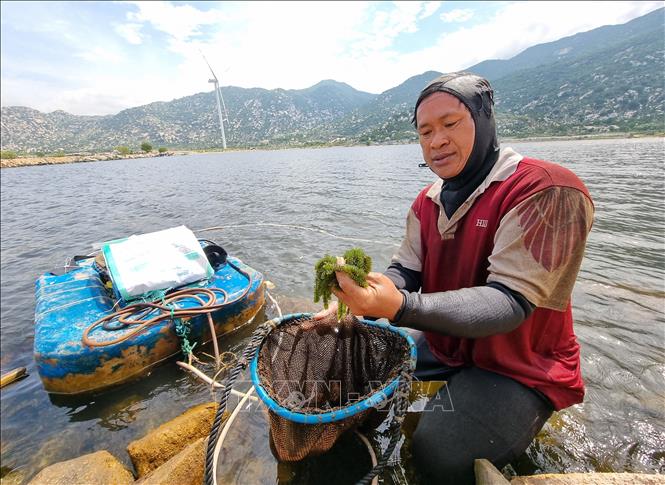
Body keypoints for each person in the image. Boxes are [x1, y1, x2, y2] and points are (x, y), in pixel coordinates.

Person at [314, 72, 594, 484]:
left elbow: (509, 302)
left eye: (450, 124)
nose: (436, 140)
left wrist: (402, 307)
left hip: (519, 365)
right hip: (448, 344)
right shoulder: (426, 202)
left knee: (438, 456)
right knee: (349, 365)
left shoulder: (546, 190)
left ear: (484, 121)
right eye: (425, 131)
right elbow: (405, 271)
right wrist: (362, 297)